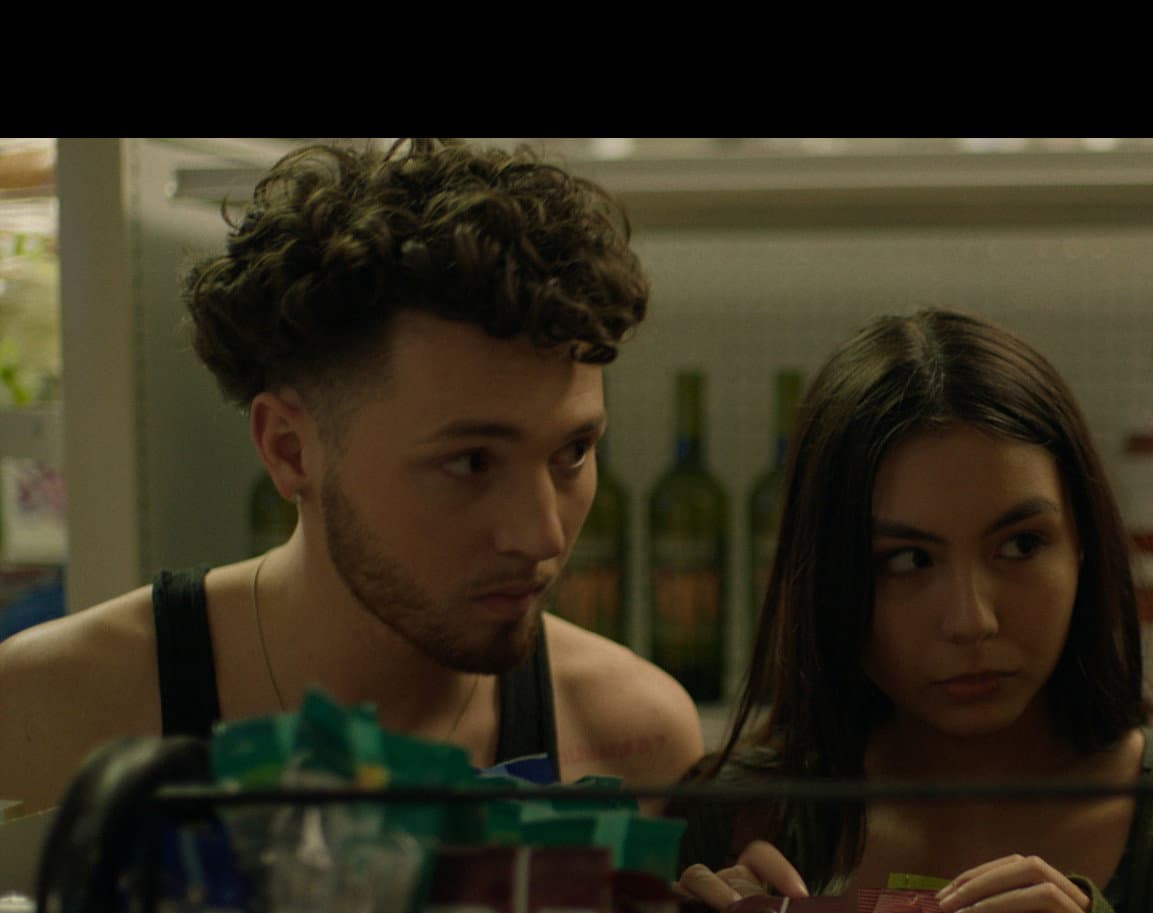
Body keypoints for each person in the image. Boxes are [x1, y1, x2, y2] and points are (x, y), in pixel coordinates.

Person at [0, 139, 703, 813]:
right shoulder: (47, 714)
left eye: (573, 451)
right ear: (288, 449)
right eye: (470, 462)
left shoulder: (635, 741)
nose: (542, 534)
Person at [670, 307, 1153, 913]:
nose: (971, 620)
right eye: (906, 560)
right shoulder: (732, 819)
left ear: (1084, 544)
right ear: (826, 578)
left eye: (1020, 545)